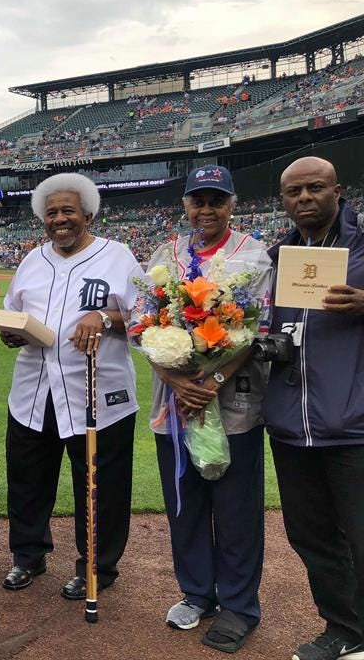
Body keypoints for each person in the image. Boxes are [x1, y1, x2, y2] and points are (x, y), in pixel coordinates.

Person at [144, 166, 271, 653]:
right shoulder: (166, 254)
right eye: (198, 200)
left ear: (232, 204)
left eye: (217, 199)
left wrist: (211, 379)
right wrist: (177, 379)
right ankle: (198, 593)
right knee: (186, 505)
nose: (207, 209)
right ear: (185, 204)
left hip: (233, 400)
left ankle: (239, 605)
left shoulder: (252, 255)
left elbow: (254, 329)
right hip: (173, 401)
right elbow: (144, 324)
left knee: (236, 509)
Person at [0, 173, 142, 600]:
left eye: (68, 211)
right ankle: (28, 556)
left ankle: (97, 565)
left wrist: (107, 318)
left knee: (100, 484)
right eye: (52, 213)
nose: (59, 219)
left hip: (99, 391)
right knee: (27, 479)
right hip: (34, 389)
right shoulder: (31, 261)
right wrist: (12, 331)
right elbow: (12, 312)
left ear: (88, 215)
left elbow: (146, 317)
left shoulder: (117, 256)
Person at [264, 156, 364, 660]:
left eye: (315, 188)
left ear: (337, 191)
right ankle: (344, 628)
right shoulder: (276, 256)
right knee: (311, 536)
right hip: (289, 423)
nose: (304, 198)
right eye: (293, 192)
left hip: (352, 423)